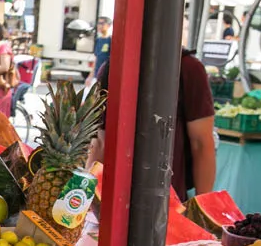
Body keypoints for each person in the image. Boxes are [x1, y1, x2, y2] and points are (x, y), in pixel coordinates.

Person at [91, 49, 216, 197]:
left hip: (168, 198)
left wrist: (202, 204)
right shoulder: (111, 68)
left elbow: (201, 143)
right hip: (115, 198)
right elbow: (100, 142)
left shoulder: (188, 68)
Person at [89, 16, 112, 87]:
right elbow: (96, 59)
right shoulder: (98, 40)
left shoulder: (110, 40)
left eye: (102, 23)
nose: (99, 26)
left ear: (108, 25)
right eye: (98, 23)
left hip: (105, 75)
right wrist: (90, 76)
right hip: (96, 75)